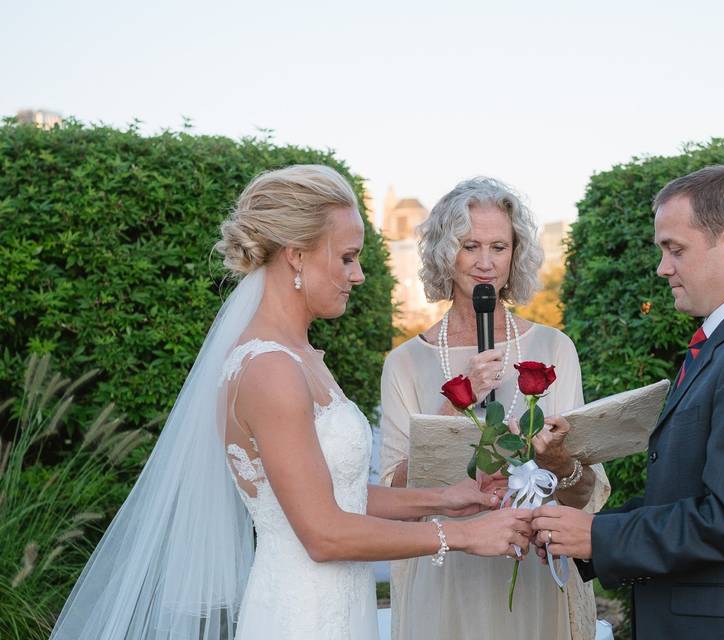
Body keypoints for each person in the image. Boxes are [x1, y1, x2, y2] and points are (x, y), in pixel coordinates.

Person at [51, 165, 534, 640]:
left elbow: (330, 497)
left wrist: (448, 499)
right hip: (301, 615)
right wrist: (465, 535)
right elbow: (323, 534)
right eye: (347, 257)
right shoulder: (270, 369)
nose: (359, 275)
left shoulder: (300, 357)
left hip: (340, 606)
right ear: (297, 255)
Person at [531, 165, 724, 639]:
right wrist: (578, 530)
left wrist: (597, 536)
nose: (662, 267)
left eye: (676, 250)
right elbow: (686, 498)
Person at [379, 177, 611, 640]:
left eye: (499, 247)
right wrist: (453, 401)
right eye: (470, 246)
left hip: (531, 571)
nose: (485, 263)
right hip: (446, 574)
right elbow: (391, 495)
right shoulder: (404, 363)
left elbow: (584, 491)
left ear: (516, 254)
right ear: (446, 253)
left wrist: (557, 460)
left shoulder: (553, 347)